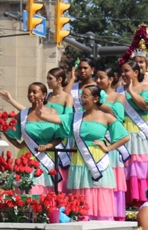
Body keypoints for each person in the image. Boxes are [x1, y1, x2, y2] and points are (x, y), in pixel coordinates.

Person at [36, 85, 130, 220]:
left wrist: (108, 148)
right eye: (81, 96)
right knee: (82, 191)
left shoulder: (106, 117)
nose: (82, 99)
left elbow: (125, 137)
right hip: (80, 159)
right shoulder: (75, 117)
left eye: (85, 96)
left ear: (96, 98)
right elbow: (58, 119)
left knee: (99, 191)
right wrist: (41, 115)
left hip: (98, 160)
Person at [0, 69, 74, 193]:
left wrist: (48, 145)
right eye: (29, 92)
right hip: (28, 152)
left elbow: (65, 123)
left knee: (48, 188)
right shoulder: (31, 109)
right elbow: (16, 122)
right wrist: (17, 144)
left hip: (51, 149)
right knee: (25, 190)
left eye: (34, 92)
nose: (31, 95)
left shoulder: (61, 104)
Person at [116, 60, 148, 207]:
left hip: (141, 133)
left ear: (136, 72)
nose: (123, 74)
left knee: (140, 167)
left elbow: (146, 105)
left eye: (126, 71)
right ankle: (127, 199)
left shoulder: (145, 87)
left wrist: (131, 91)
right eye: (122, 71)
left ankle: (142, 200)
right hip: (125, 132)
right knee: (126, 166)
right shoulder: (119, 90)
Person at [96, 67, 128, 220]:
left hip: (111, 144)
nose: (98, 81)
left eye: (102, 77)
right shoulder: (92, 95)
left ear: (111, 79)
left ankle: (114, 214)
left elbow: (116, 115)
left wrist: (98, 102)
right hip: (96, 142)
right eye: (96, 78)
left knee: (112, 177)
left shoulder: (119, 96)